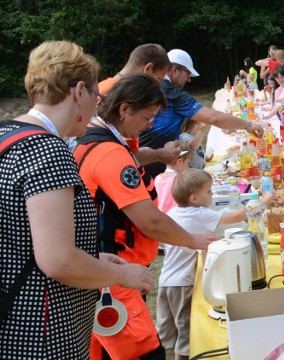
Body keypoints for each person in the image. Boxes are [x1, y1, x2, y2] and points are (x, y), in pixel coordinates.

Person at [0, 40, 153, 359]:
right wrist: (126, 275)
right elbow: (58, 260)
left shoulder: (8, 136)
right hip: (41, 334)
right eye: (97, 97)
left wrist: (95, 257)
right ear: (79, 90)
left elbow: (21, 236)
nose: (96, 107)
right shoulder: (48, 150)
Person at [73, 74, 215, 359]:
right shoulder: (109, 153)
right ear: (124, 109)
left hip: (100, 272)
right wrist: (191, 239)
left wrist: (159, 154)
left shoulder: (97, 135)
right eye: (147, 117)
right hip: (113, 277)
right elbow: (149, 220)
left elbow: (131, 158)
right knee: (145, 353)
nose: (150, 125)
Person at [156, 169, 250, 360]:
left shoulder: (173, 212)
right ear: (194, 198)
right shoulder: (200, 213)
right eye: (208, 191)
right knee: (186, 334)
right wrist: (262, 202)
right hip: (182, 283)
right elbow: (235, 218)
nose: (212, 194)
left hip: (166, 280)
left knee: (166, 332)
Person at [139, 49, 263, 177]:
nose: (189, 80)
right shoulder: (173, 93)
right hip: (154, 164)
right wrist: (247, 125)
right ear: (174, 69)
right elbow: (213, 118)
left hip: (142, 155)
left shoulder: (150, 85)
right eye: (188, 74)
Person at [95, 44, 181, 167]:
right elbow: (118, 158)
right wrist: (158, 155)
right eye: (159, 78)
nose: (159, 85)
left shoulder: (102, 87)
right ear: (148, 68)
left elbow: (129, 152)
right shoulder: (115, 94)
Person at [156, 140, 193, 214]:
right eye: (188, 162)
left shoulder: (157, 178)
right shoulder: (180, 180)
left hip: (161, 219)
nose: (188, 166)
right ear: (180, 161)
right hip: (176, 220)